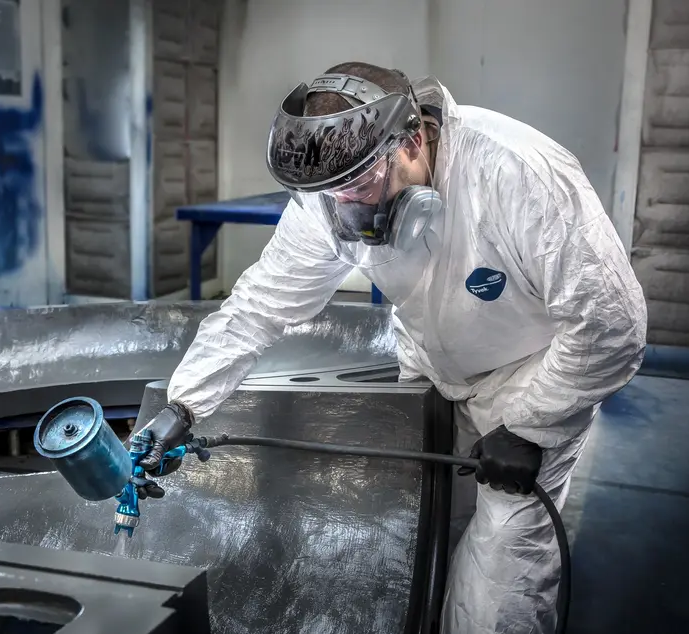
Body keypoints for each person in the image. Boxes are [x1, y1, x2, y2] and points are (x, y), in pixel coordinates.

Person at [132, 62, 647, 634]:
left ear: (411, 141)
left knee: (500, 573)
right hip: (429, 366)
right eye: (329, 194)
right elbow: (258, 308)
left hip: (532, 376)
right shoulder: (329, 200)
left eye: (357, 187)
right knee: (418, 537)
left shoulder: (514, 172)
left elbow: (613, 327)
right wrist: (183, 404)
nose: (348, 211)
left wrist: (531, 425)